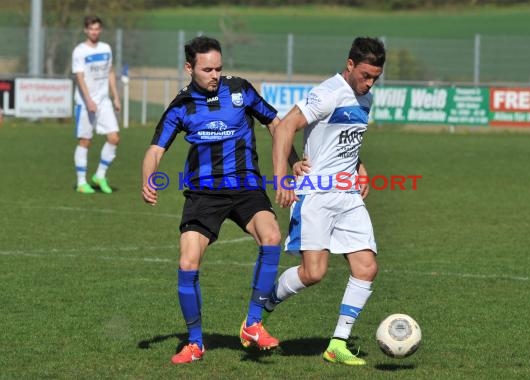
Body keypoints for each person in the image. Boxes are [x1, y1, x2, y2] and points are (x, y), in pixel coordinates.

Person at [141, 36, 300, 364]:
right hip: (203, 194)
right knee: (187, 263)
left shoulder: (240, 90)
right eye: (207, 69)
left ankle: (253, 324)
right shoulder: (181, 106)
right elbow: (155, 150)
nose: (214, 74)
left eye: (219, 68)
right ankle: (195, 342)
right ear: (189, 68)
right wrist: (148, 177)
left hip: (245, 188)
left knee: (271, 237)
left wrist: (293, 161)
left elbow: (276, 124)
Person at [264, 36, 385, 366]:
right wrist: (284, 176)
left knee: (366, 267)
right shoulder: (328, 93)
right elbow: (285, 126)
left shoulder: (365, 99)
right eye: (365, 75)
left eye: (375, 77)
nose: (370, 83)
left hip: (347, 195)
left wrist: (360, 167)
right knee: (313, 273)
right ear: (349, 65)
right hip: (316, 194)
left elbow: (346, 142)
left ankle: (338, 343)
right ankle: (263, 304)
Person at [72, 15, 121, 194]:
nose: (94, 31)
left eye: (97, 28)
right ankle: (81, 182)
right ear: (86, 30)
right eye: (91, 28)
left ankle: (100, 175)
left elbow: (110, 72)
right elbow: (80, 77)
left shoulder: (106, 48)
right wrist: (89, 100)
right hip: (84, 103)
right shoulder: (79, 51)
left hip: (104, 101)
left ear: (100, 30)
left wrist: (116, 96)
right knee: (85, 140)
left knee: (114, 138)